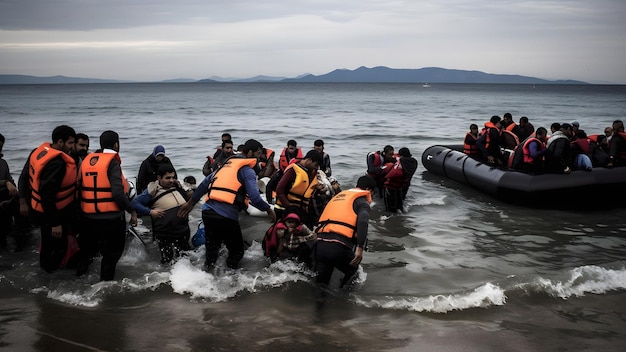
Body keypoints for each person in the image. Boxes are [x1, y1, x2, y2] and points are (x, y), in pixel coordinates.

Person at [177, 139, 276, 270]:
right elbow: (255, 198)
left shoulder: (226, 165)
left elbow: (204, 184)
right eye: (258, 154)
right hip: (225, 216)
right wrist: (269, 210)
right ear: (250, 152)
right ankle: (231, 280)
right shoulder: (247, 171)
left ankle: (208, 274)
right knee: (237, 251)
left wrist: (190, 203)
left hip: (207, 212)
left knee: (212, 249)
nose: (259, 157)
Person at [76, 130, 138, 280]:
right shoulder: (112, 162)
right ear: (116, 144)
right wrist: (132, 211)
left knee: (87, 253)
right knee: (111, 255)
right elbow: (118, 193)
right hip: (111, 219)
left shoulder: (88, 159)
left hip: (88, 217)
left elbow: (78, 186)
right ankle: (105, 289)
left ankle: (78, 280)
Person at [22, 125, 78, 273]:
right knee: (58, 248)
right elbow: (47, 194)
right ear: (60, 142)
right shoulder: (57, 163)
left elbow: (25, 177)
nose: (72, 147)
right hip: (51, 215)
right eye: (70, 143)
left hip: (39, 210)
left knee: (47, 245)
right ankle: (50, 277)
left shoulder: (39, 152)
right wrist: (55, 223)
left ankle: (46, 275)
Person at [314, 175, 376, 290]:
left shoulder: (338, 196)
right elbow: (363, 221)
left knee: (321, 284)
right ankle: (345, 301)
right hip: (339, 247)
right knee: (353, 272)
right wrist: (360, 249)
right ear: (368, 190)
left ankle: (318, 306)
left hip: (321, 243)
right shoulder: (362, 201)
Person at [131, 164, 191, 264]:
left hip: (183, 230)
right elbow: (134, 203)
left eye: (173, 177)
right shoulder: (152, 190)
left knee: (185, 258)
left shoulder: (176, 186)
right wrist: (150, 212)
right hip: (165, 233)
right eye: (168, 178)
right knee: (167, 261)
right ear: (159, 177)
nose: (171, 180)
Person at [275, 150, 323, 227]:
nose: (316, 168)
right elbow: (279, 190)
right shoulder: (293, 171)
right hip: (284, 209)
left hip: (300, 209)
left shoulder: (309, 172)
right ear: (309, 160)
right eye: (316, 165)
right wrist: (289, 208)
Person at [0, 133, 28, 251]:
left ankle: (21, 243)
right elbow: (8, 181)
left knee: (22, 205)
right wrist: (5, 183)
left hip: (5, 196)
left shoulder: (3, 163)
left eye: (0, 147)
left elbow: (11, 181)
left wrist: (14, 188)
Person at [264, 139, 303, 203]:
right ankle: (269, 201)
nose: (291, 150)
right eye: (290, 148)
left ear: (296, 148)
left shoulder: (300, 157)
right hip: (283, 172)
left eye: (293, 148)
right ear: (287, 147)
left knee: (283, 189)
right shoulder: (284, 155)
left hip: (294, 175)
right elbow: (280, 165)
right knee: (269, 185)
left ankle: (281, 201)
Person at [382, 147, 418, 213]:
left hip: (390, 186)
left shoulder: (399, 162)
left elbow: (389, 173)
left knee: (389, 208)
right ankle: (401, 218)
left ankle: (390, 220)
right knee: (399, 205)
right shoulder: (414, 162)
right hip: (401, 186)